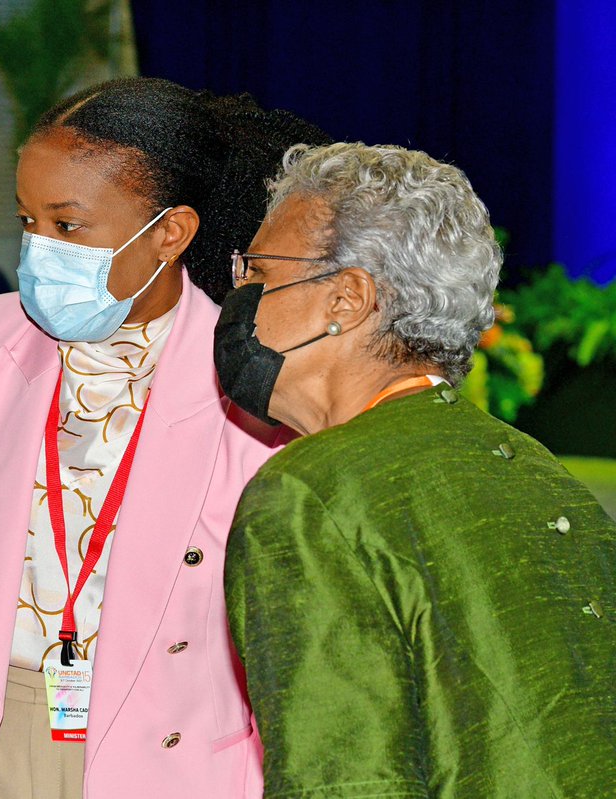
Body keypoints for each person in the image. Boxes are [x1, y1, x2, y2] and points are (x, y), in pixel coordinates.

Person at [0, 78, 328, 798]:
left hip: (171, 761)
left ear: (170, 233)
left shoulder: (252, 380)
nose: (38, 249)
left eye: (67, 226)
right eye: (27, 221)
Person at [218, 142, 616, 796]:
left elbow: (346, 781)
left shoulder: (309, 493)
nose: (239, 297)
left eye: (257, 272)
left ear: (346, 298)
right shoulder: (541, 472)